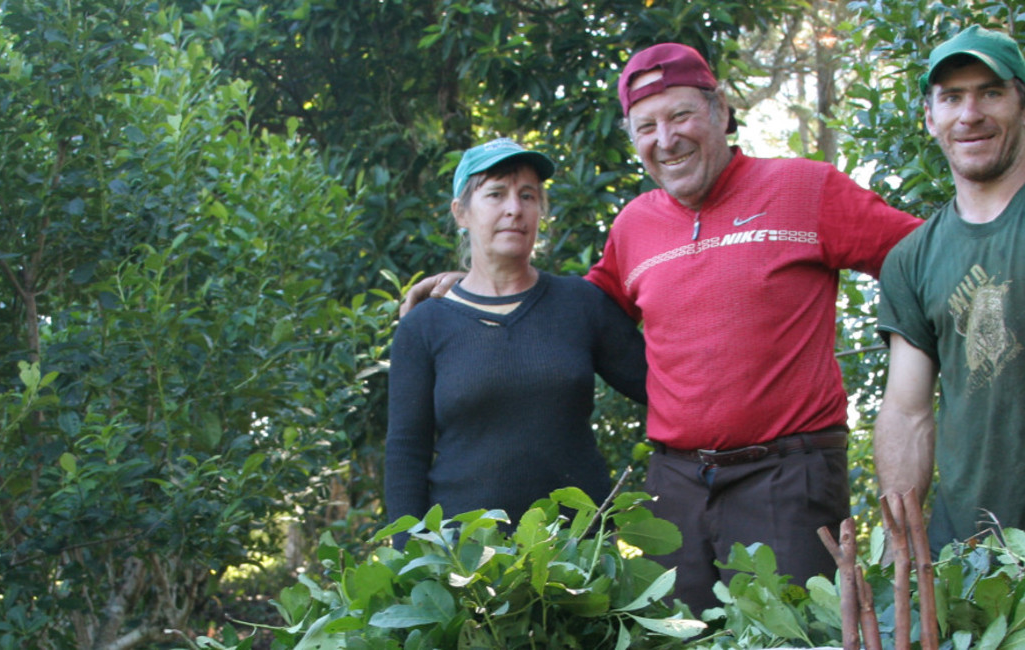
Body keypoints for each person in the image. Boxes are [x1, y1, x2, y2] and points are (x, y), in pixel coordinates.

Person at [402, 44, 921, 612]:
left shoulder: (807, 188)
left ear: (720, 112)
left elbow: (924, 258)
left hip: (786, 476)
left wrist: (916, 369)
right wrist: (476, 285)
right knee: (672, 635)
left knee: (792, 635)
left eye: (680, 116)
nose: (665, 139)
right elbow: (559, 315)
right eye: (646, 126)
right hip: (676, 489)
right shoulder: (634, 227)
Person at [384, 138, 648, 549]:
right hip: (468, 564)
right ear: (461, 213)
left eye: (528, 195)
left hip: (578, 557)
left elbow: (663, 386)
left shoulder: (581, 304)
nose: (514, 208)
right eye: (495, 194)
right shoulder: (424, 327)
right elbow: (405, 454)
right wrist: (409, 562)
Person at [874, 25, 1025, 554]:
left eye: (991, 92)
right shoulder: (912, 260)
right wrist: (902, 545)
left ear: (1021, 104)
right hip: (970, 552)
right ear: (930, 118)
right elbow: (907, 413)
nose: (971, 115)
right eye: (952, 97)